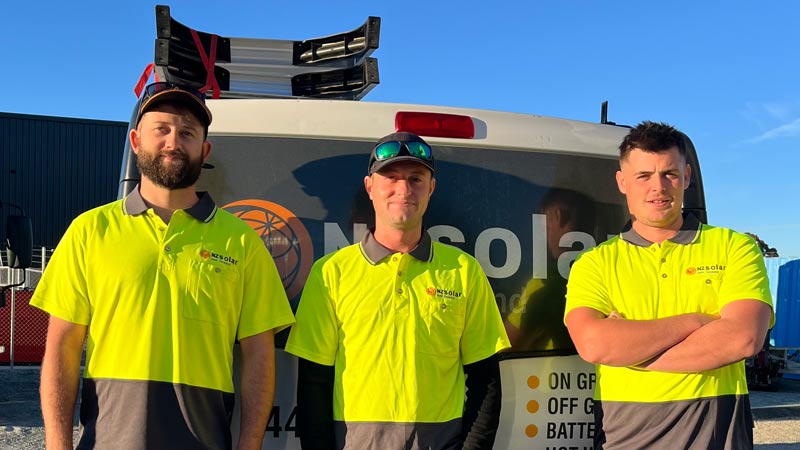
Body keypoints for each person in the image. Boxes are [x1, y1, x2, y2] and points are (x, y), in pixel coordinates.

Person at [31, 82, 295, 450]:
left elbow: (259, 355)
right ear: (137, 141)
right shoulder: (89, 231)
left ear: (204, 150)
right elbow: (62, 348)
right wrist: (57, 446)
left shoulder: (242, 241)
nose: (173, 141)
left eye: (187, 132)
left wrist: (249, 446)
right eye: (162, 129)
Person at [285, 132, 511, 450]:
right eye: (390, 177)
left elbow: (485, 380)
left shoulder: (464, 271)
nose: (403, 189)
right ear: (370, 188)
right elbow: (314, 383)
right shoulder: (330, 273)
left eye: (416, 178)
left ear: (431, 188)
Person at [564, 121, 774, 450]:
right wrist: (695, 322)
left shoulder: (735, 247)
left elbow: (744, 338)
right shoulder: (595, 262)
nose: (658, 187)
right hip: (624, 440)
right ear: (622, 182)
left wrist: (632, 352)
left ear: (686, 177)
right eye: (643, 176)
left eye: (669, 174)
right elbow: (594, 344)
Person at [505, 188, 595, 352]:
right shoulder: (602, 272)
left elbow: (505, 348)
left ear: (558, 216)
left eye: (542, 218)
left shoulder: (544, 283)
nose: (541, 230)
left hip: (548, 377)